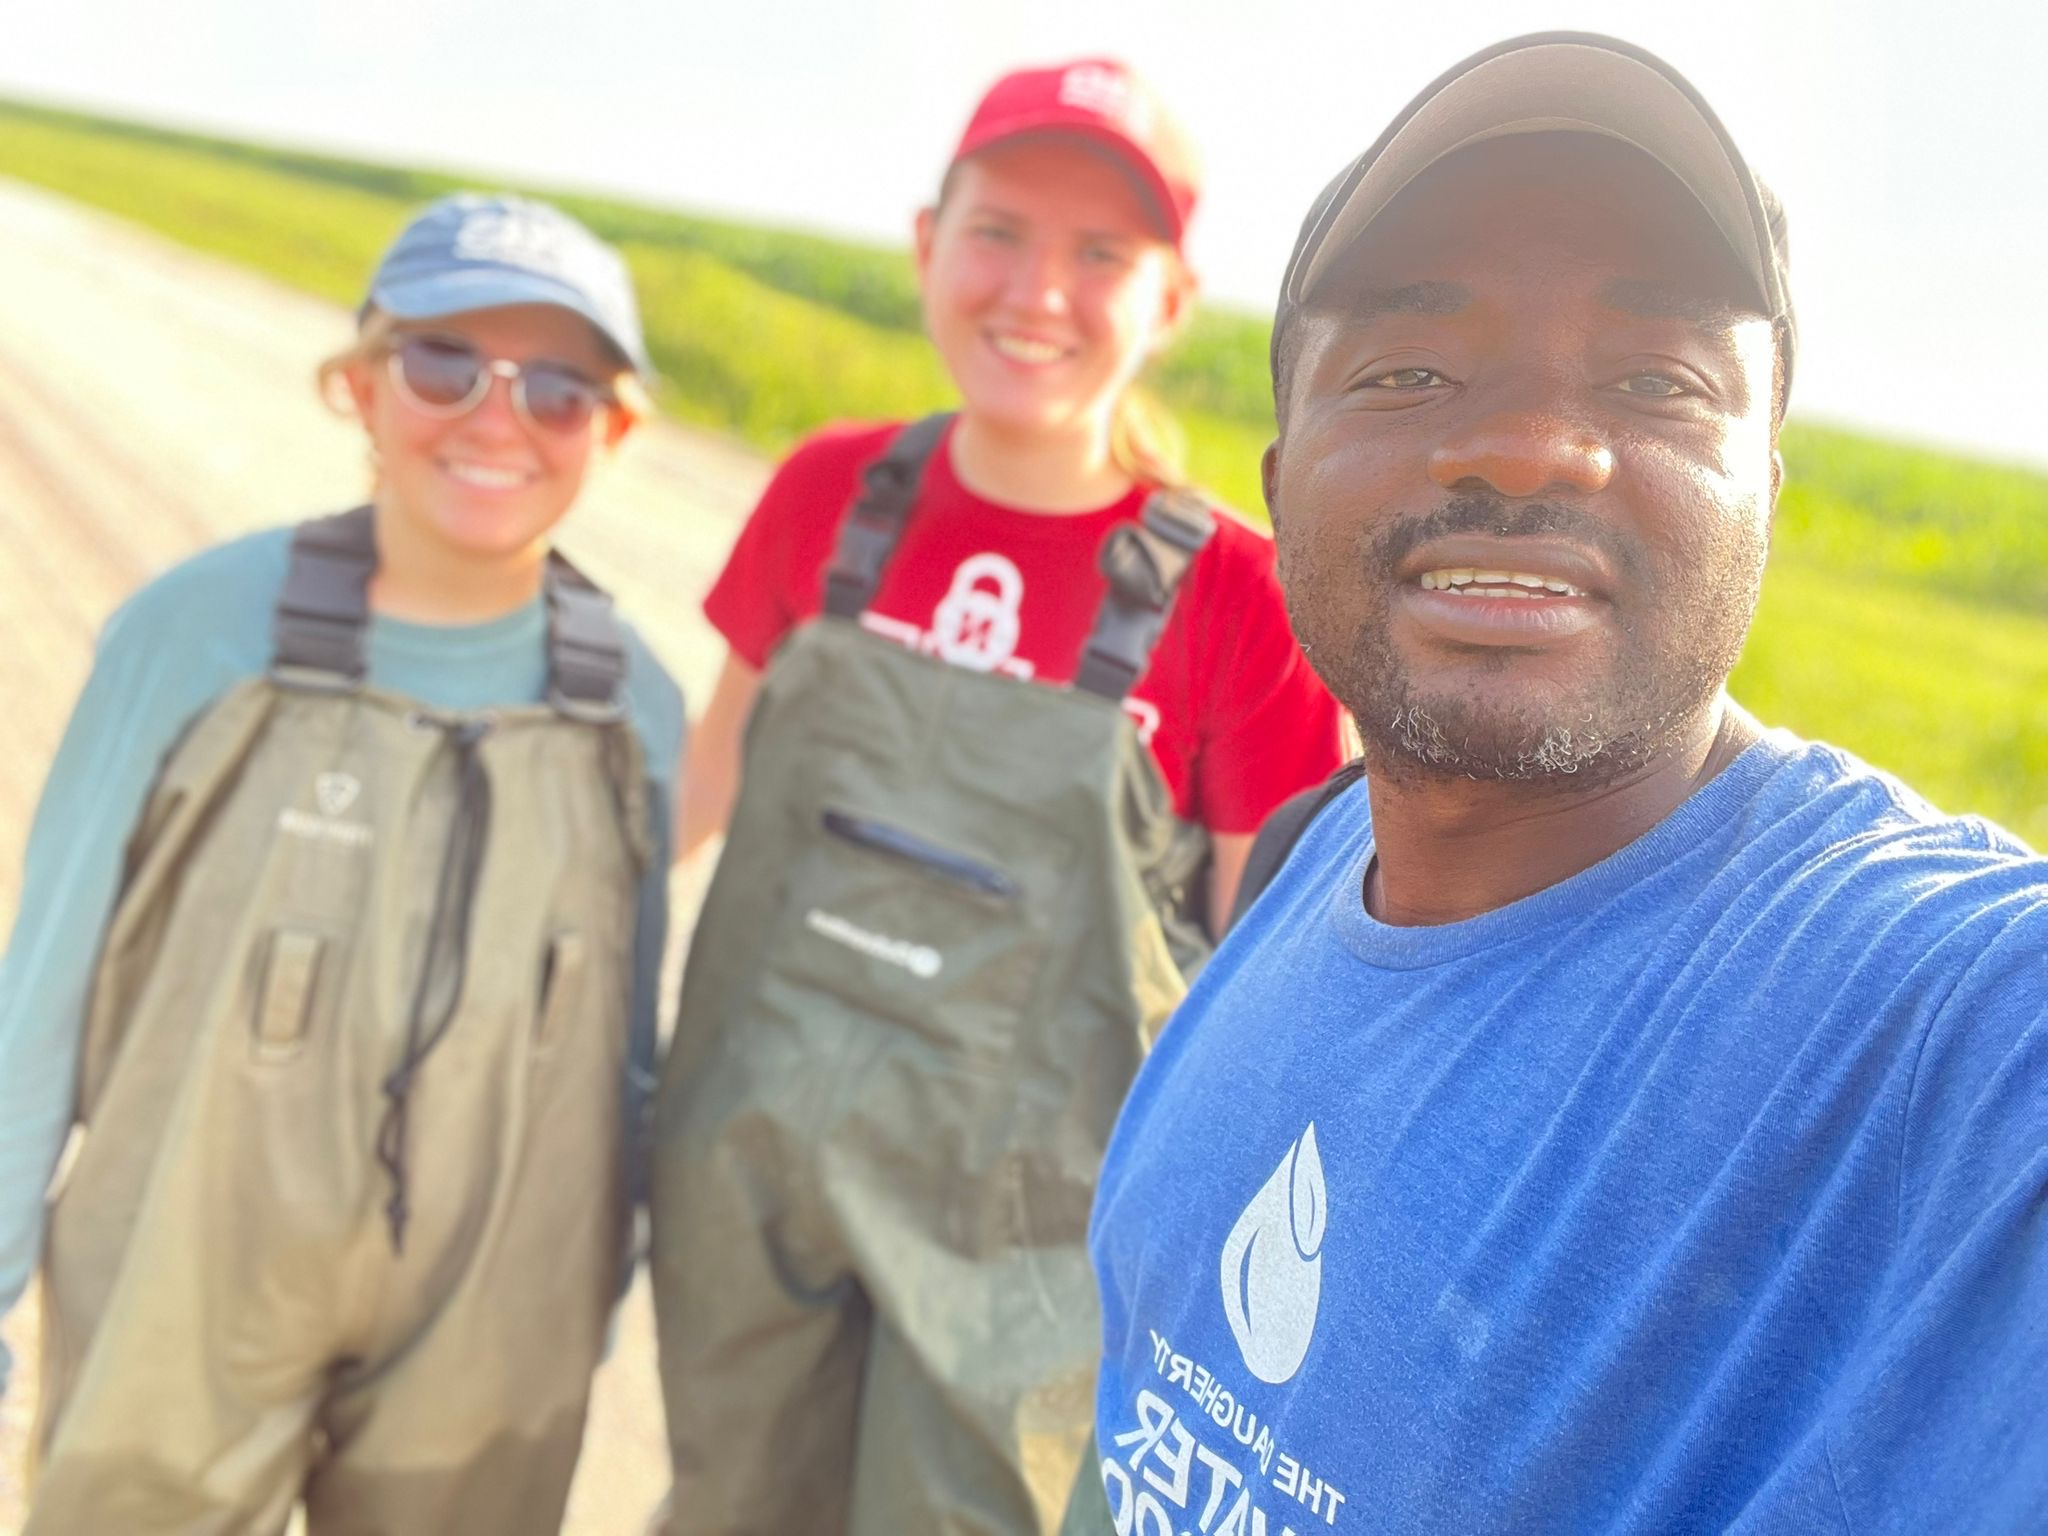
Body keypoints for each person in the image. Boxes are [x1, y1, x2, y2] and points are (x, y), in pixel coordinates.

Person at [1082, 32, 2046, 1535]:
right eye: (1405, 370)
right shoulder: (1300, 860)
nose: (1529, 446)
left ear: (1765, 498)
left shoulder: (1933, 1028)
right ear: (1278, 484)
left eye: (1657, 379)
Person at [649, 58, 1345, 1536]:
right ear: (925, 243)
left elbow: (1259, 969)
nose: (1038, 288)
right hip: (754, 1156)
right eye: (1000, 231)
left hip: (1026, 1239)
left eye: (1102, 254)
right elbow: (699, 783)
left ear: (1169, 303)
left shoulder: (1240, 596)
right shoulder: (834, 493)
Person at [0, 193, 684, 1534]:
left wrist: (588, 1304)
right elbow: (45, 985)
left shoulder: (637, 709)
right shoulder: (191, 635)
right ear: (358, 388)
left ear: (610, 431)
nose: (496, 420)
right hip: (174, 1289)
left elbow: (624, 1053)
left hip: (489, 1331)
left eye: (555, 388)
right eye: (442, 365)